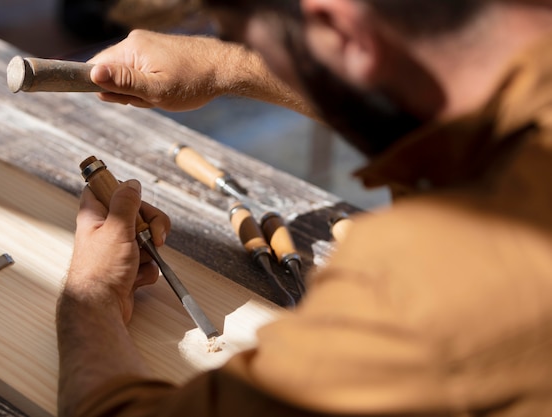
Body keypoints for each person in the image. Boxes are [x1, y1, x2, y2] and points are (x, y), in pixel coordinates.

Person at [57, 0, 552, 416]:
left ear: (338, 27)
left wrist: (93, 298)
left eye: (246, 39)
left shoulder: (420, 285)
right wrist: (227, 65)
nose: (251, 53)